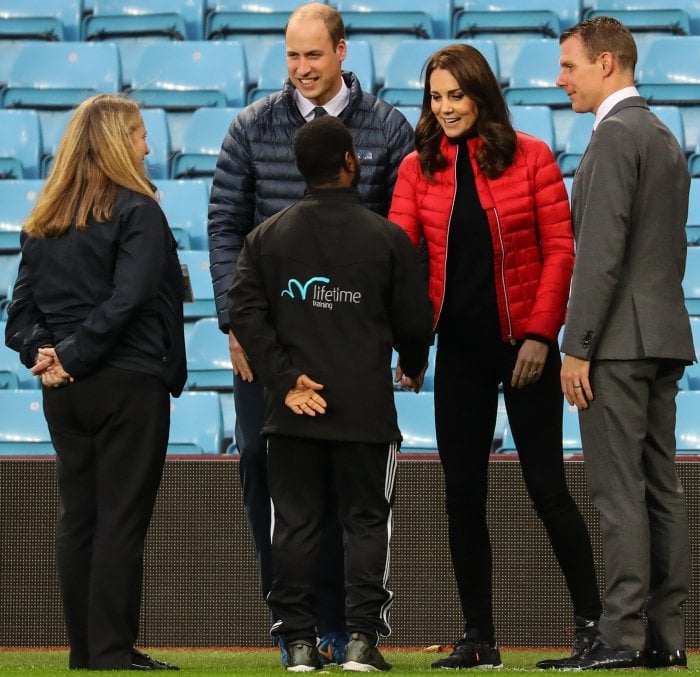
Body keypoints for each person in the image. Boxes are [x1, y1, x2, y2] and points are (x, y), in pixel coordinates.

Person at [207, 2, 415, 663]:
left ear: (342, 52)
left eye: (314, 55)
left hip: (350, 345)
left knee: (338, 490)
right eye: (292, 56)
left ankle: (336, 627)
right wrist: (235, 324)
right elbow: (222, 227)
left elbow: (397, 237)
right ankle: (297, 627)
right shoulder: (250, 126)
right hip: (269, 346)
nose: (301, 68)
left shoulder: (388, 128)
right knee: (268, 474)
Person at [388, 43, 603, 670]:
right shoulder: (415, 168)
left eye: (457, 94)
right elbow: (403, 262)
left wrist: (540, 335)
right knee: (461, 495)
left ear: (481, 93)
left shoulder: (531, 156)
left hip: (526, 351)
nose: (447, 107)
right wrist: (411, 346)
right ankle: (479, 637)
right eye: (436, 96)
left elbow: (561, 250)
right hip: (458, 355)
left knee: (547, 488)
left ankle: (592, 625)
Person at [228, 115, 433, 672]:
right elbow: (417, 319)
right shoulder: (387, 238)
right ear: (351, 163)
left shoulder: (266, 237)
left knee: (294, 525)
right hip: (365, 413)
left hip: (291, 414)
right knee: (366, 523)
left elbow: (243, 313)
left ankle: (298, 643)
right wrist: (412, 365)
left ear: (299, 169)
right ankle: (361, 642)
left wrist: (285, 379)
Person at [4, 93, 185, 671]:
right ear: (114, 143)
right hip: (126, 383)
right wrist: (74, 355)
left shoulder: (44, 218)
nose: (148, 146)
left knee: (79, 515)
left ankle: (87, 650)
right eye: (137, 135)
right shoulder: (139, 211)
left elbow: (19, 313)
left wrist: (46, 356)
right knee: (120, 520)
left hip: (64, 393)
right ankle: (112, 651)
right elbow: (128, 299)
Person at [557, 17, 694, 671]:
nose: (562, 80)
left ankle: (620, 637)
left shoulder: (614, 137)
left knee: (617, 491)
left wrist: (577, 344)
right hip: (664, 331)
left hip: (615, 340)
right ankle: (666, 637)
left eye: (571, 67)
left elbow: (602, 255)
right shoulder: (666, 137)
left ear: (606, 63)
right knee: (660, 489)